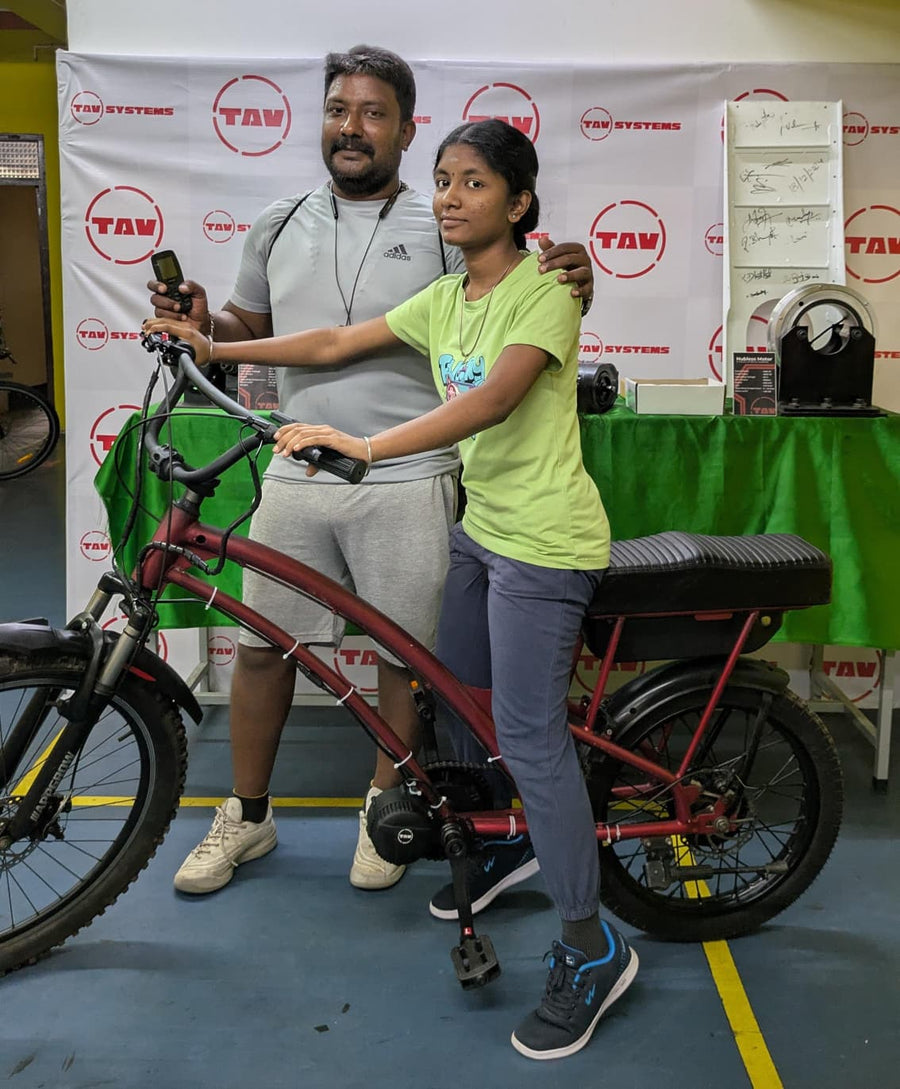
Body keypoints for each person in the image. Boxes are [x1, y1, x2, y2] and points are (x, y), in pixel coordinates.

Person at [147, 116, 637, 1062]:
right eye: (445, 180)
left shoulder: (545, 292)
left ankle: (592, 943)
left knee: (534, 740)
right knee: (459, 703)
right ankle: (508, 840)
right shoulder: (449, 296)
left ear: (519, 202)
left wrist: (363, 446)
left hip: (544, 544)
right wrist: (212, 348)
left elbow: (490, 400)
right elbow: (333, 343)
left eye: (475, 184)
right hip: (483, 531)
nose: (452, 197)